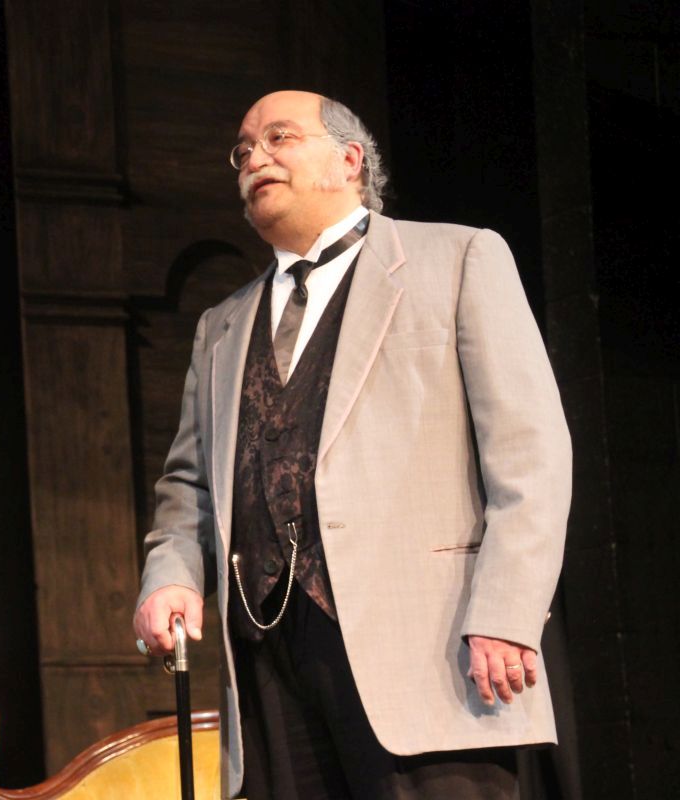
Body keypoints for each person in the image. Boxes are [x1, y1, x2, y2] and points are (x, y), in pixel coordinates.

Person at [133, 90, 571, 799]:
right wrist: (172, 574)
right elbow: (189, 484)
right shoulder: (221, 324)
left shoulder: (458, 258)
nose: (253, 159)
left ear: (349, 160)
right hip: (269, 653)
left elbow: (531, 453)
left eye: (279, 138)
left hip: (429, 651)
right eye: (242, 151)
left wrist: (507, 612)